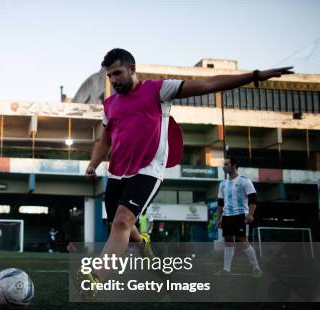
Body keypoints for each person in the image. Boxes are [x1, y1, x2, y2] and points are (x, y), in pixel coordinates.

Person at [82, 48, 291, 285]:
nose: (113, 80)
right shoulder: (110, 104)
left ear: (132, 69)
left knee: (121, 222)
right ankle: (144, 247)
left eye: (117, 73)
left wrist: (254, 75)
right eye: (109, 76)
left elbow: (207, 84)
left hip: (148, 170)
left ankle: (96, 280)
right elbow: (105, 139)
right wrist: (93, 164)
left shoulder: (158, 90)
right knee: (120, 227)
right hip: (117, 172)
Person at [216, 157, 262, 277]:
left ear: (234, 165)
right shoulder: (222, 184)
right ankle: (226, 270)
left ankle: (256, 268)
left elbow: (253, 199)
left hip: (240, 215)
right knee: (228, 242)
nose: (224, 166)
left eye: (226, 164)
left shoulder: (244, 181)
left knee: (243, 241)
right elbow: (220, 203)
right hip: (227, 216)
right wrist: (219, 219)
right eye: (223, 164)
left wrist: (251, 214)